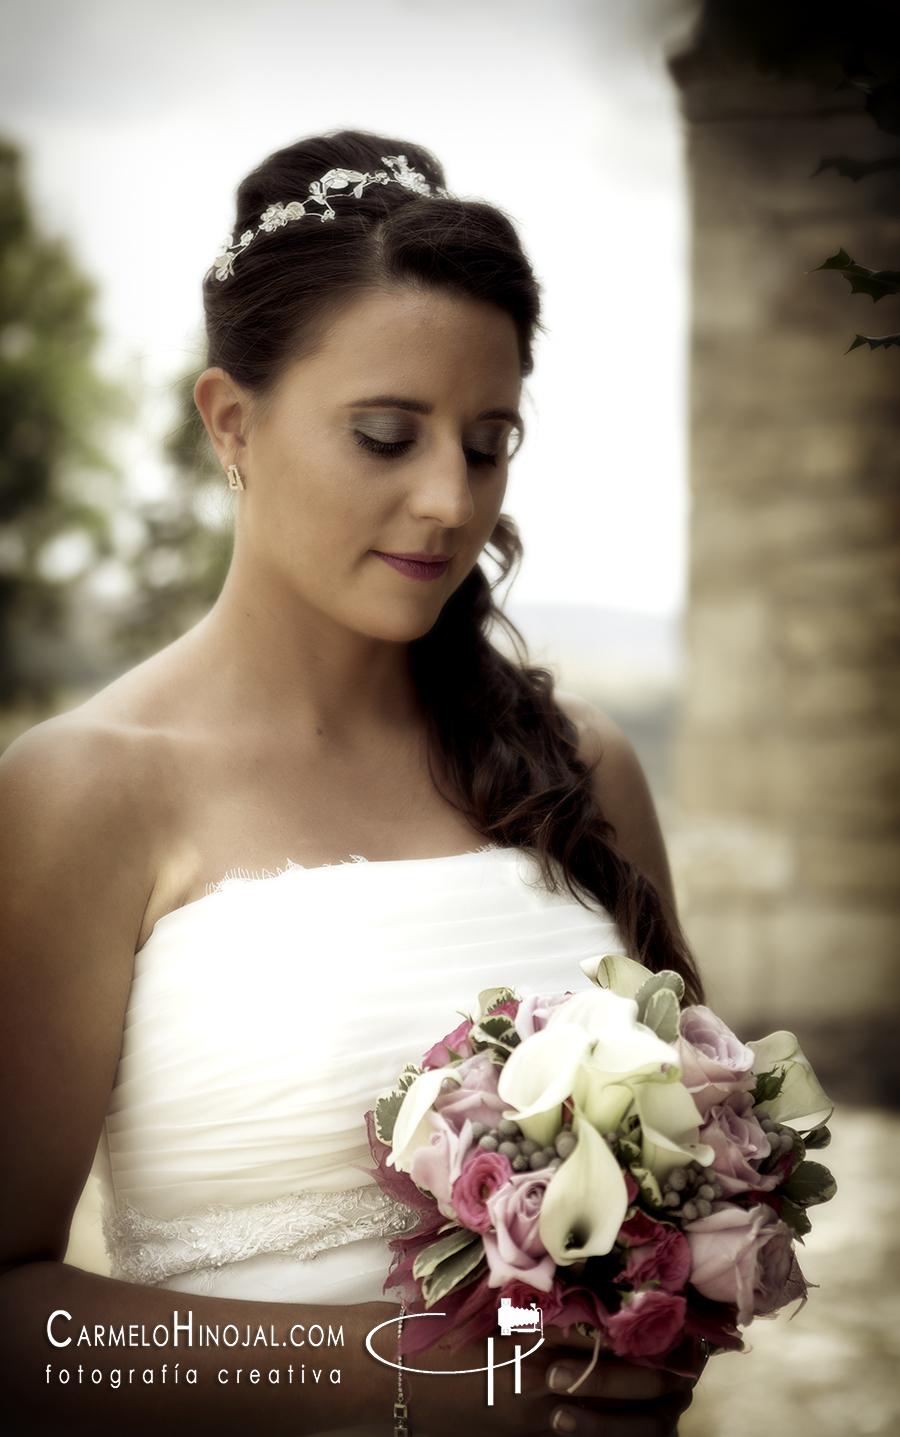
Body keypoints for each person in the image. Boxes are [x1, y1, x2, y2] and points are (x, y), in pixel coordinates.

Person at [0, 131, 704, 1435]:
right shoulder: (83, 792)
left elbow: (692, 1192)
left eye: (488, 444)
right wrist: (420, 1362)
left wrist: (663, 1333)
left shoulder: (583, 769)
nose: (450, 499)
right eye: (386, 435)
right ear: (231, 421)